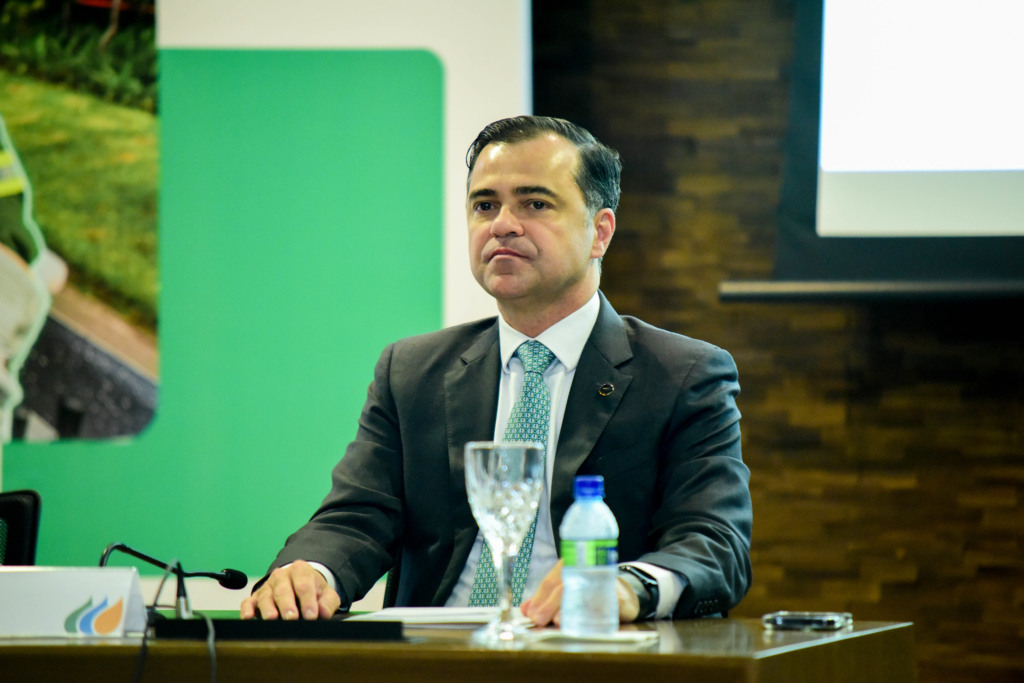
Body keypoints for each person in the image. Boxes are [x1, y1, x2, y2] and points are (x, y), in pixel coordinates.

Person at [240, 115, 752, 626]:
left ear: (600, 232)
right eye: (485, 205)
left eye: (535, 203)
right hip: (436, 654)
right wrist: (310, 570)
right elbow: (358, 516)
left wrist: (626, 584)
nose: (502, 224)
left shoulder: (683, 375)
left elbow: (714, 542)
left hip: (590, 650)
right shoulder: (412, 371)